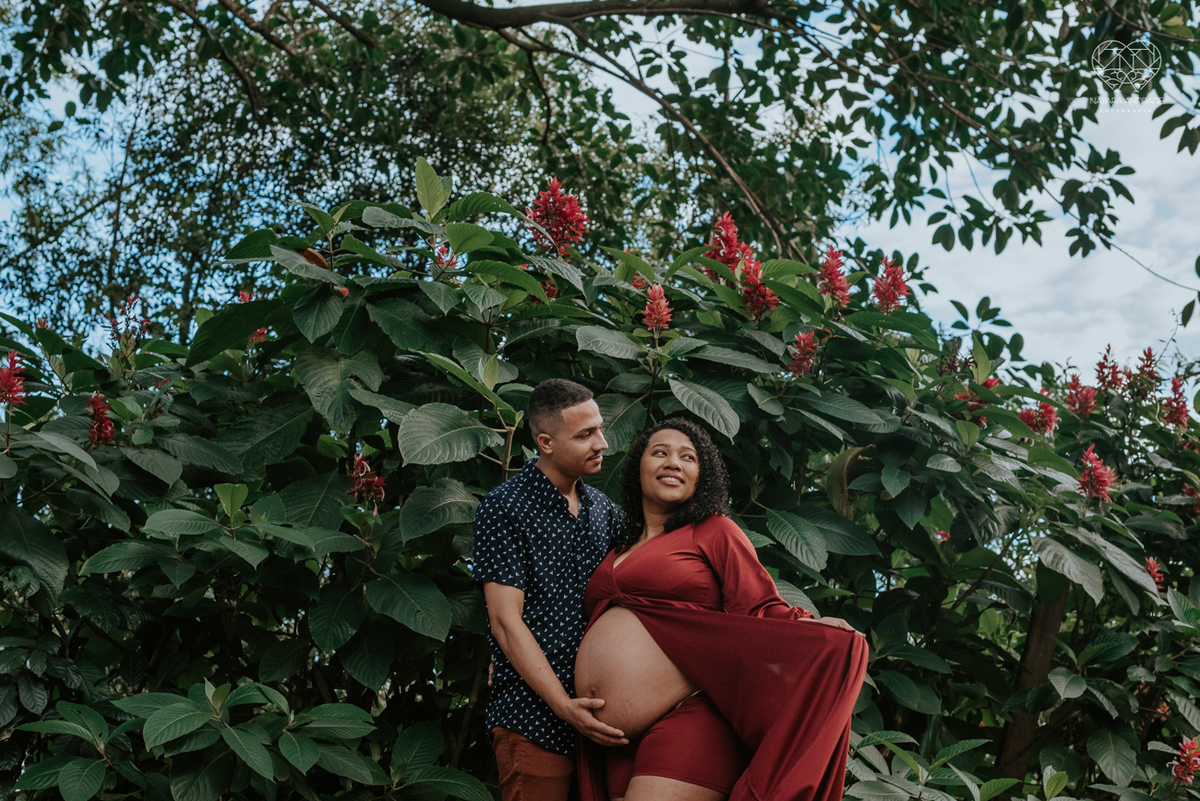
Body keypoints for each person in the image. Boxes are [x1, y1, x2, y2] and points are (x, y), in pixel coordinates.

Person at [574, 418, 869, 801]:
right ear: (637, 468)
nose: (673, 463)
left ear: (702, 476)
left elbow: (758, 605)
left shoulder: (713, 529)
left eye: (688, 457)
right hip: (611, 741)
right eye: (659, 452)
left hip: (691, 716)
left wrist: (814, 625)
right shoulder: (616, 547)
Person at [474, 378, 628, 801]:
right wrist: (563, 705)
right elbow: (505, 622)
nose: (603, 443)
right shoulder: (504, 507)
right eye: (585, 435)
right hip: (532, 715)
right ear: (545, 442)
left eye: (599, 428)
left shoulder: (603, 510)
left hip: (600, 716)